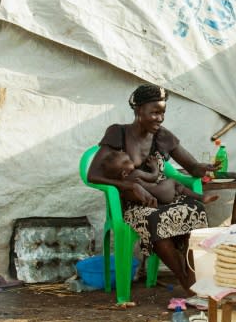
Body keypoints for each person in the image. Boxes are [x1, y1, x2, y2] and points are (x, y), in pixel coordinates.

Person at [87, 84, 220, 294]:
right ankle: (185, 280)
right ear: (139, 110)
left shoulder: (162, 136)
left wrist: (201, 168)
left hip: (163, 197)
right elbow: (93, 175)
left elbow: (191, 166)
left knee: (195, 210)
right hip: (132, 205)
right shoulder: (117, 133)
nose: (160, 118)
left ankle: (195, 278)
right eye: (154, 112)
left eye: (163, 113)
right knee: (156, 219)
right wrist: (130, 185)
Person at [101, 150, 219, 205]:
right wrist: (154, 167)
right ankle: (201, 197)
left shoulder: (122, 184)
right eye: (127, 161)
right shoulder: (136, 173)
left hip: (158, 198)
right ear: (124, 173)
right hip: (161, 192)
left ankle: (177, 193)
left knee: (176, 187)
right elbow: (153, 177)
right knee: (175, 182)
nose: (131, 160)